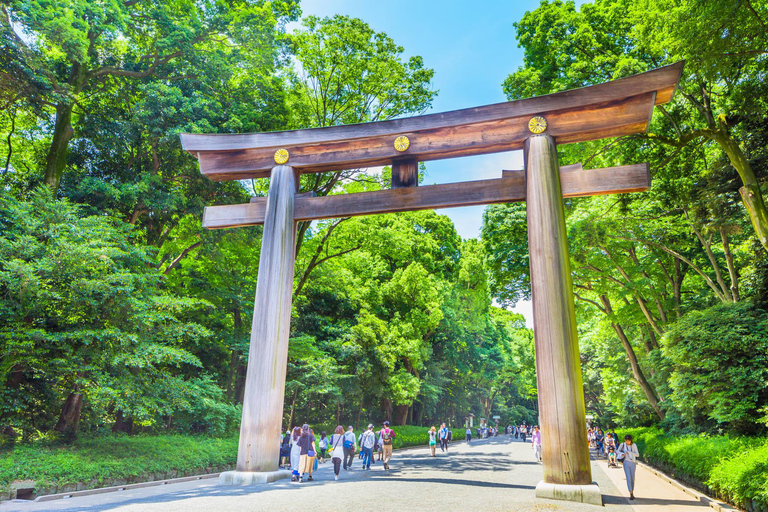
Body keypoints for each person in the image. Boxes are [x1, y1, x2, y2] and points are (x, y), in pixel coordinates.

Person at [617, 434, 640, 500]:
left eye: (628, 440)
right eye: (626, 440)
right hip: (626, 462)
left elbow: (637, 454)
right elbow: (617, 451)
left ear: (631, 440)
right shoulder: (623, 444)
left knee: (632, 478)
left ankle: (632, 490)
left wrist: (630, 453)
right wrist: (622, 454)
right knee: (628, 478)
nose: (627, 442)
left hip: (632, 462)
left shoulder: (634, 445)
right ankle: (631, 493)